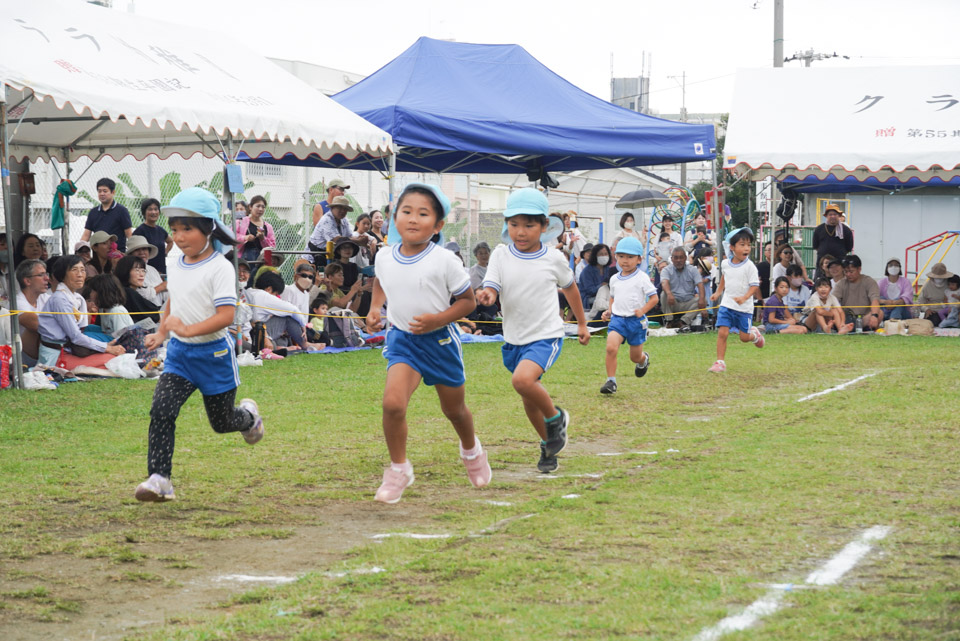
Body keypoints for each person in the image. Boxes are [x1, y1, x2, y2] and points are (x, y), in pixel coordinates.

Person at [135, 188, 264, 503]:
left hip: (214, 356)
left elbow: (226, 316)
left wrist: (187, 328)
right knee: (162, 411)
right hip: (180, 355)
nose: (178, 237)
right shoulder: (173, 259)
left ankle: (249, 417)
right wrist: (164, 332)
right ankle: (160, 480)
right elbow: (174, 300)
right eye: (175, 229)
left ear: (208, 229)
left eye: (187, 229)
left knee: (222, 423)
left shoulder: (220, 268)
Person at [365, 182, 490, 504]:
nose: (413, 218)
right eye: (406, 211)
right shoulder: (384, 256)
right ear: (395, 218)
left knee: (454, 410)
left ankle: (471, 450)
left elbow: (468, 302)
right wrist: (376, 307)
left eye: (423, 213)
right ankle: (399, 468)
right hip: (403, 341)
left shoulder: (445, 261)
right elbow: (381, 280)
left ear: (437, 225)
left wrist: (438, 319)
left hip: (440, 342)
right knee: (392, 404)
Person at [476, 187, 590, 474]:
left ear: (543, 227)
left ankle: (556, 419)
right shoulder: (501, 254)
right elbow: (492, 284)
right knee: (528, 397)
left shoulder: (553, 259)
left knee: (522, 381)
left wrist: (581, 322)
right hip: (514, 338)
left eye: (529, 225)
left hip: (545, 335)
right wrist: (488, 294)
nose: (521, 232)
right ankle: (548, 444)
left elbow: (570, 288)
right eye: (514, 224)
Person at [37, 255, 127, 369]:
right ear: (62, 274)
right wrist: (107, 347)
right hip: (57, 355)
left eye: (83, 270)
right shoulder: (60, 299)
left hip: (70, 350)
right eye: (74, 270)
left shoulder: (76, 298)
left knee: (114, 358)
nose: (80, 275)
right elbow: (76, 336)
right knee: (112, 359)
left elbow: (82, 330)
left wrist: (103, 346)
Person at [599, 237, 657, 394]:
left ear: (639, 259)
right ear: (616, 257)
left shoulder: (642, 277)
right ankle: (611, 382)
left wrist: (643, 311)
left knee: (634, 357)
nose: (625, 261)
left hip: (636, 323)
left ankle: (643, 360)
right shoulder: (614, 279)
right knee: (611, 347)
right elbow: (613, 297)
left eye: (630, 257)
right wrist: (610, 311)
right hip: (618, 321)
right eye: (622, 256)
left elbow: (654, 298)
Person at [708, 228, 764, 373]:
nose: (746, 248)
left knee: (744, 338)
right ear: (732, 247)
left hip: (744, 308)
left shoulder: (750, 266)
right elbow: (724, 277)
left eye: (748, 245)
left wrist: (744, 297)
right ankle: (720, 362)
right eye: (742, 244)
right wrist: (718, 292)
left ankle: (755, 336)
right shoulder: (726, 263)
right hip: (727, 304)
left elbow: (754, 286)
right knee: (722, 332)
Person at [245, 270, 316, 351]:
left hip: (253, 331)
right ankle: (305, 344)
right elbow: (293, 309)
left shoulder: (249, 291)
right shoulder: (264, 295)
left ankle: (282, 347)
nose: (276, 297)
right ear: (269, 289)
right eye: (276, 294)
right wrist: (303, 325)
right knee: (287, 318)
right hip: (257, 333)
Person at [14, 259, 51, 366]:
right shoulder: (17, 302)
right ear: (27, 281)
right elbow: (37, 325)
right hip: (23, 357)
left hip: (46, 348)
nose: (47, 278)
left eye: (46, 274)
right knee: (36, 329)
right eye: (41, 275)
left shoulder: (45, 297)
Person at [81, 178, 134, 252]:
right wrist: (80, 248)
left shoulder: (122, 211)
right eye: (99, 191)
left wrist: (133, 251)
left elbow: (129, 234)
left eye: (105, 191)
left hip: (117, 254)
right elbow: (86, 234)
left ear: (113, 192)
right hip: (98, 254)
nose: (102, 194)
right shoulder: (93, 212)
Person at [832, 254, 883, 331]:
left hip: (863, 319)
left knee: (880, 313)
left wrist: (874, 315)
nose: (848, 274)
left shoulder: (869, 282)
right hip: (845, 318)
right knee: (833, 310)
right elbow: (833, 301)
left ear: (859, 269)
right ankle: (842, 329)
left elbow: (875, 300)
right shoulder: (841, 283)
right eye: (846, 272)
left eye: (851, 271)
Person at [659, 247, 706, 329]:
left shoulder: (693, 270)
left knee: (703, 299)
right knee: (664, 294)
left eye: (681, 257)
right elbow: (664, 282)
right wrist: (669, 294)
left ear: (685, 258)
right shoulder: (666, 270)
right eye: (676, 258)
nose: (678, 260)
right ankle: (669, 321)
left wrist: (702, 300)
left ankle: (683, 322)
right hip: (673, 302)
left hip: (688, 302)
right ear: (672, 259)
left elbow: (700, 284)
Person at [114, 255, 163, 328]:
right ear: (125, 271)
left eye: (143, 270)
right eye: (137, 270)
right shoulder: (128, 292)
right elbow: (155, 315)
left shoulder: (122, 290)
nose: (141, 274)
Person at [306, 195, 354, 264]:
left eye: (345, 209)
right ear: (332, 208)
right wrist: (358, 241)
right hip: (314, 257)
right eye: (340, 208)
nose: (343, 211)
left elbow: (349, 236)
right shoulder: (326, 220)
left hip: (330, 256)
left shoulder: (344, 220)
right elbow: (336, 239)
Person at [133, 198, 173, 275]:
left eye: (156, 209)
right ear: (144, 212)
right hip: (145, 272)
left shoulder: (161, 230)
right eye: (150, 209)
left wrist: (165, 252)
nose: (153, 212)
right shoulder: (140, 231)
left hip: (161, 271)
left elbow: (170, 241)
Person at [125, 235, 168, 306]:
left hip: (158, 309)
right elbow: (141, 295)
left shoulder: (152, 269)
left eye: (144, 249)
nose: (142, 252)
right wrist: (162, 287)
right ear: (131, 254)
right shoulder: (128, 270)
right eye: (137, 249)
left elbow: (164, 294)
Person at [235, 195, 276, 264]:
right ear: (250, 207)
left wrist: (263, 239)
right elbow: (231, 236)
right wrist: (245, 237)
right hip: (245, 260)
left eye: (263, 207)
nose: (260, 209)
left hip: (264, 260)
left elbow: (272, 246)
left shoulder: (268, 226)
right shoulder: (240, 222)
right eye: (258, 206)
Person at [578, 243, 612, 310]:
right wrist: (602, 285)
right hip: (588, 300)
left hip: (605, 297)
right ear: (595, 256)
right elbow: (590, 291)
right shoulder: (586, 271)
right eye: (601, 254)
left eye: (605, 254)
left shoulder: (608, 269)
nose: (604, 256)